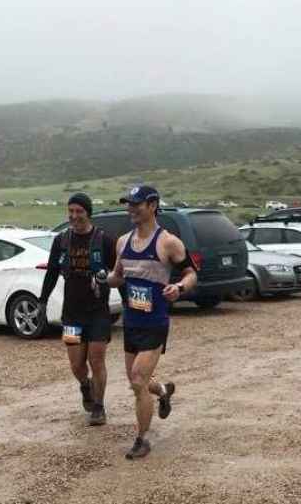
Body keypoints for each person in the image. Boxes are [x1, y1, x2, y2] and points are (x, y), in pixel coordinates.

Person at [107, 185, 197, 460]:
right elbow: (118, 276)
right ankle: (164, 391)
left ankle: (142, 439)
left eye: (136, 204)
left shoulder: (168, 242)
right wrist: (104, 280)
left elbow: (191, 273)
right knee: (139, 382)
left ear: (153, 204)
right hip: (131, 321)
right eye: (128, 204)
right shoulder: (122, 242)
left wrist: (179, 288)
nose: (131, 209)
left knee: (137, 379)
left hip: (156, 322)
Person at [39, 193, 116, 425]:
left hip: (98, 313)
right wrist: (42, 302)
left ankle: (99, 407)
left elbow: (119, 274)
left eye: (79, 211)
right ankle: (85, 386)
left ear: (88, 213)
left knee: (97, 360)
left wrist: (130, 304)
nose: (74, 216)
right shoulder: (61, 241)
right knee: (76, 364)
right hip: (72, 313)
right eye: (71, 211)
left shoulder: (104, 240)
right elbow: (52, 272)